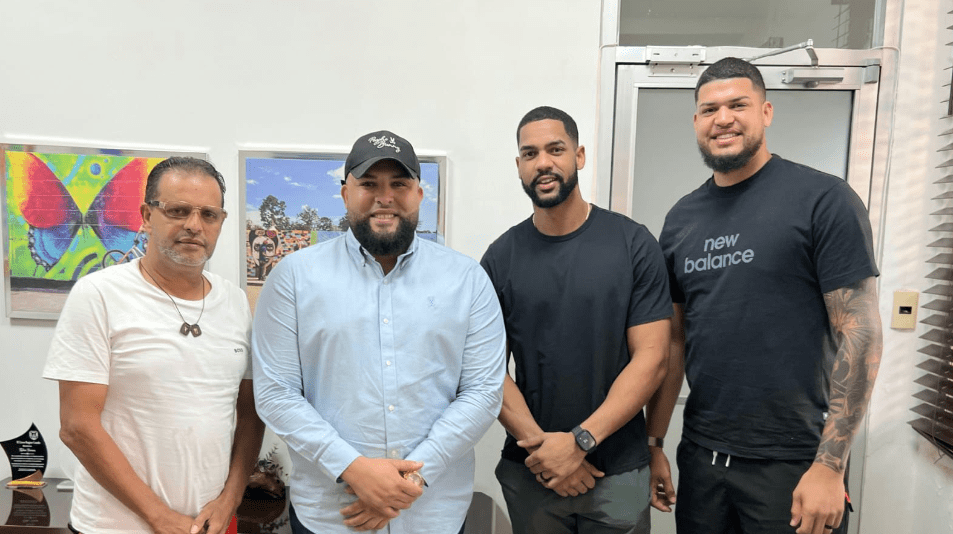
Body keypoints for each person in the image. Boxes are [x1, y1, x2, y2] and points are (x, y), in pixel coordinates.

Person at [649, 57, 883, 534]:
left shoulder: (823, 199)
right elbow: (674, 341)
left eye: (738, 105)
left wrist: (830, 465)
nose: (723, 119)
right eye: (710, 109)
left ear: (766, 112)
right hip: (702, 459)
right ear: (696, 121)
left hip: (795, 463)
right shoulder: (680, 220)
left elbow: (861, 333)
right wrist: (654, 443)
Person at [251, 130, 506, 533]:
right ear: (345, 193)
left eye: (398, 184)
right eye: (369, 184)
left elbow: (483, 392)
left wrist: (410, 482)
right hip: (331, 516)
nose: (384, 198)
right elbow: (276, 392)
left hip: (432, 514)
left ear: (419, 194)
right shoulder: (293, 279)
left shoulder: (467, 280)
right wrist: (353, 469)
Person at [43, 157, 265, 534]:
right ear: (147, 216)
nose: (194, 225)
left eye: (208, 214)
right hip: (113, 527)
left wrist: (230, 499)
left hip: (206, 524)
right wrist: (159, 517)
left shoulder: (234, 302)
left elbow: (249, 415)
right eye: (178, 210)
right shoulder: (99, 295)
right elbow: (77, 426)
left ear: (221, 222)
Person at [480, 106, 672, 534]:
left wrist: (581, 442)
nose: (543, 163)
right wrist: (547, 454)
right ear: (519, 166)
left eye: (556, 149)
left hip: (617, 471)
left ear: (579, 156)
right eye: (530, 154)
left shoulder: (633, 244)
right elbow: (486, 368)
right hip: (532, 472)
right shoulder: (500, 258)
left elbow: (653, 358)